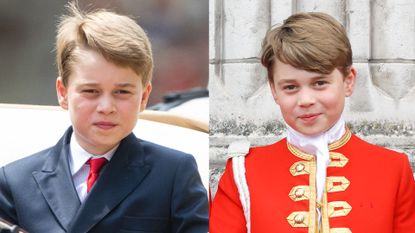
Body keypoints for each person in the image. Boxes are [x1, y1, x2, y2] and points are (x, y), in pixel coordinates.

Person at [0, 3, 208, 233]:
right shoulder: (16, 181)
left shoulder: (173, 174)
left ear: (144, 96)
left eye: (122, 92)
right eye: (91, 91)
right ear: (63, 92)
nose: (106, 107)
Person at [210, 12, 415, 233]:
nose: (305, 100)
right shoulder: (243, 172)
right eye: (290, 87)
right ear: (274, 90)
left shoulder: (393, 169)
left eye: (319, 83)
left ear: (348, 81)